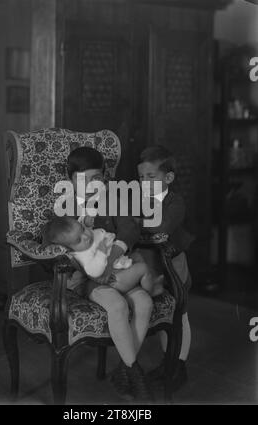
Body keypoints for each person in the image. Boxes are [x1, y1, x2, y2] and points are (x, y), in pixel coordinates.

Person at [53, 146, 153, 402]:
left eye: (97, 178)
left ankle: (125, 368)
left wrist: (111, 259)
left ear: (104, 176)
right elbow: (58, 246)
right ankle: (136, 376)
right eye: (84, 179)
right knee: (118, 306)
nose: (91, 184)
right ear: (72, 179)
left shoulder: (112, 198)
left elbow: (129, 229)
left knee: (144, 302)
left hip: (118, 268)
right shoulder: (65, 206)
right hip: (89, 278)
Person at [137, 145, 195, 391]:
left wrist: (138, 223)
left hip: (173, 264)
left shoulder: (175, 202)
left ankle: (178, 365)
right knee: (162, 314)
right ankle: (166, 361)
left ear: (168, 178)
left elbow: (162, 226)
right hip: (151, 262)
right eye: (141, 177)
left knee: (179, 314)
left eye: (151, 177)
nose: (144, 182)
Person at [42, 216, 163, 296]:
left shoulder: (87, 240)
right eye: (78, 240)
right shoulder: (83, 256)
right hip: (115, 278)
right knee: (143, 268)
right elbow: (94, 271)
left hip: (120, 266)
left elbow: (93, 229)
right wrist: (101, 252)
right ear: (69, 248)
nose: (86, 236)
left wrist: (86, 222)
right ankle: (151, 290)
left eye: (83, 229)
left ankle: (148, 281)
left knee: (137, 256)